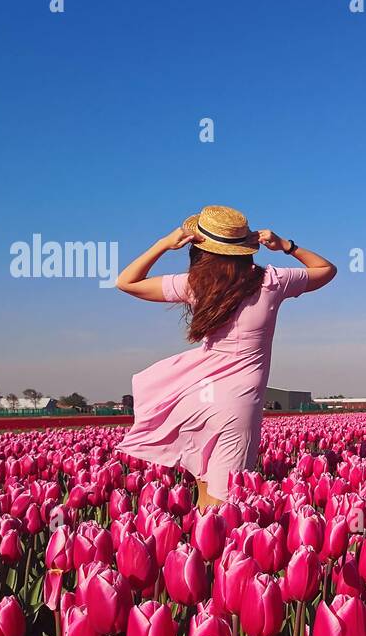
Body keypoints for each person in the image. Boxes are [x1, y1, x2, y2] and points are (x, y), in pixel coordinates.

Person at [114, 205, 336, 508]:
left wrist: (165, 243)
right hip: (237, 403)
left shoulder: (196, 285)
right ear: (247, 248)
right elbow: (326, 270)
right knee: (224, 506)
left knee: (205, 495)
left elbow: (126, 282)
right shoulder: (272, 281)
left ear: (199, 248)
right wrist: (287, 246)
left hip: (198, 397)